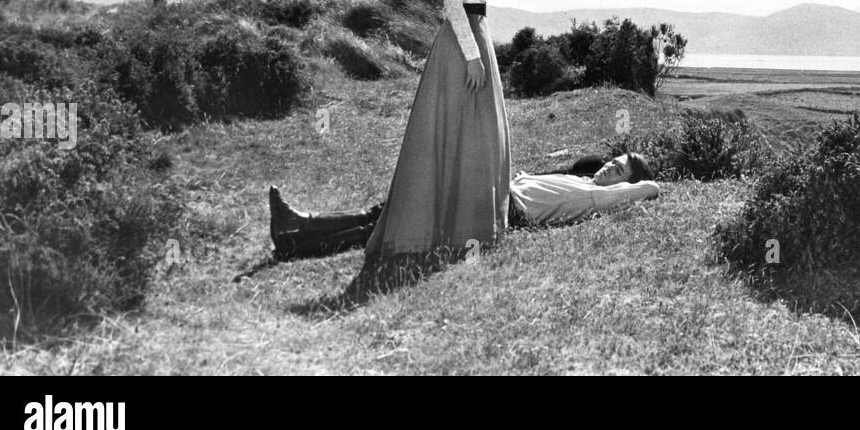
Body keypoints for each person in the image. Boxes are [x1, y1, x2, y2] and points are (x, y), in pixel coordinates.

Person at [360, 0, 511, 268]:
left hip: (475, 38)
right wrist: (473, 55)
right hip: (463, 46)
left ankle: (468, 225)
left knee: (476, 135)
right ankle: (449, 228)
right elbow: (453, 7)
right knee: (463, 134)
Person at [270, 153, 660, 259]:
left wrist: (640, 180)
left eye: (620, 169)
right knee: (395, 210)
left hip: (503, 210)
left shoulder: (599, 197)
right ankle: (300, 230)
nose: (611, 166)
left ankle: (300, 233)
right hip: (495, 195)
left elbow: (650, 188)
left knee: (398, 217)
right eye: (616, 160)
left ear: (625, 182)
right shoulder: (582, 180)